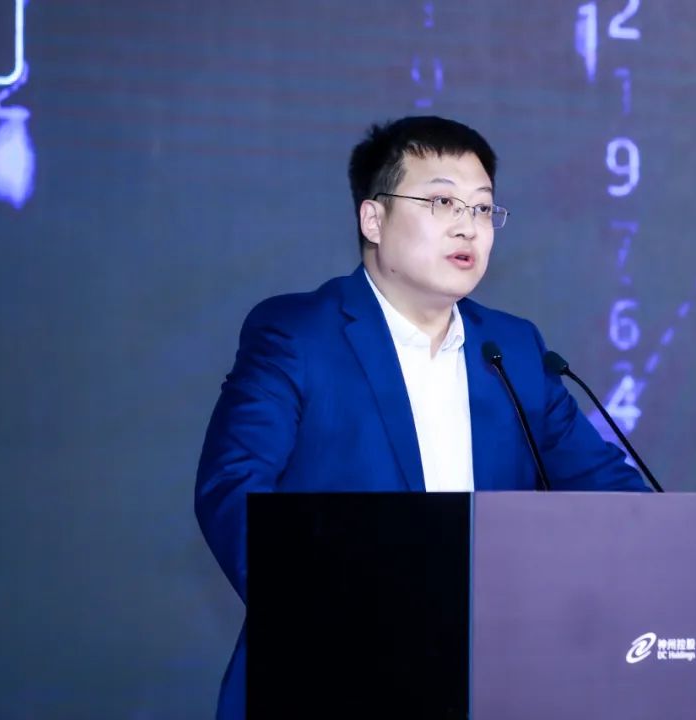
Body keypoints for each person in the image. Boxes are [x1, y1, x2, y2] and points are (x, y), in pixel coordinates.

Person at [194, 115, 648, 719]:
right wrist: (329, 617)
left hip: (490, 682)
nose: (468, 225)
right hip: (331, 677)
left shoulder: (512, 349)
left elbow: (612, 494)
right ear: (373, 219)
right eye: (441, 202)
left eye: (482, 208)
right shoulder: (299, 334)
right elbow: (233, 489)